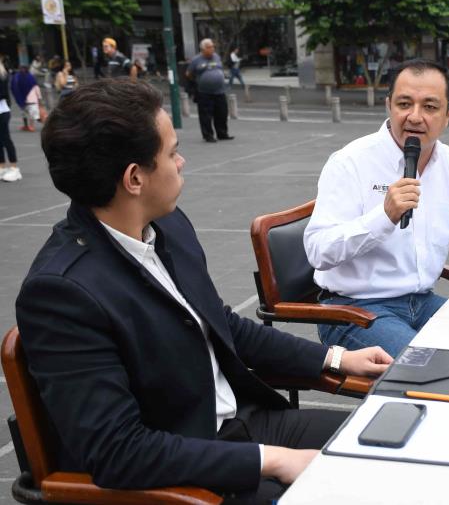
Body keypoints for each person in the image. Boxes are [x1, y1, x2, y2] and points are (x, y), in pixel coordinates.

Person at [16, 79, 392, 504]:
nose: (182, 161)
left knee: (392, 456)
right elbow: (117, 450)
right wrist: (272, 460)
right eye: (172, 152)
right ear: (134, 178)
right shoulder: (62, 293)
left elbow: (222, 323)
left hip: (243, 423)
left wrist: (338, 357)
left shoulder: (168, 225)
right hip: (182, 471)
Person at [304, 59, 449, 358]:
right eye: (404, 104)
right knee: (432, 364)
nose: (415, 117)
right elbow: (318, 250)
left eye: (430, 107)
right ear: (388, 105)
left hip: (421, 301)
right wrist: (383, 217)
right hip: (354, 309)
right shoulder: (350, 162)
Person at [187, 38, 233, 142]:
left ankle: (222, 133)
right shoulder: (196, 60)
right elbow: (189, 74)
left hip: (219, 91)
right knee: (206, 115)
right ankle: (208, 135)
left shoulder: (216, 57)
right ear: (203, 49)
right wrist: (199, 81)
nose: (212, 49)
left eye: (213, 47)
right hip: (204, 92)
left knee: (222, 113)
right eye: (209, 47)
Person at [0, 57, 20, 182]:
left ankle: (14, 168)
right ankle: (2, 167)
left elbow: (3, 94)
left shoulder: (2, 75)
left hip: (2, 111)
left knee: (6, 139)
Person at [10, 65, 38, 131]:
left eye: (23, 68)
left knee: (31, 112)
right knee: (23, 112)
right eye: (21, 68)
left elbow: (34, 86)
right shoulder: (17, 77)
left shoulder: (29, 77)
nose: (22, 70)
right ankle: (26, 126)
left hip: (30, 98)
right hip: (22, 97)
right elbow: (14, 86)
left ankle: (31, 126)